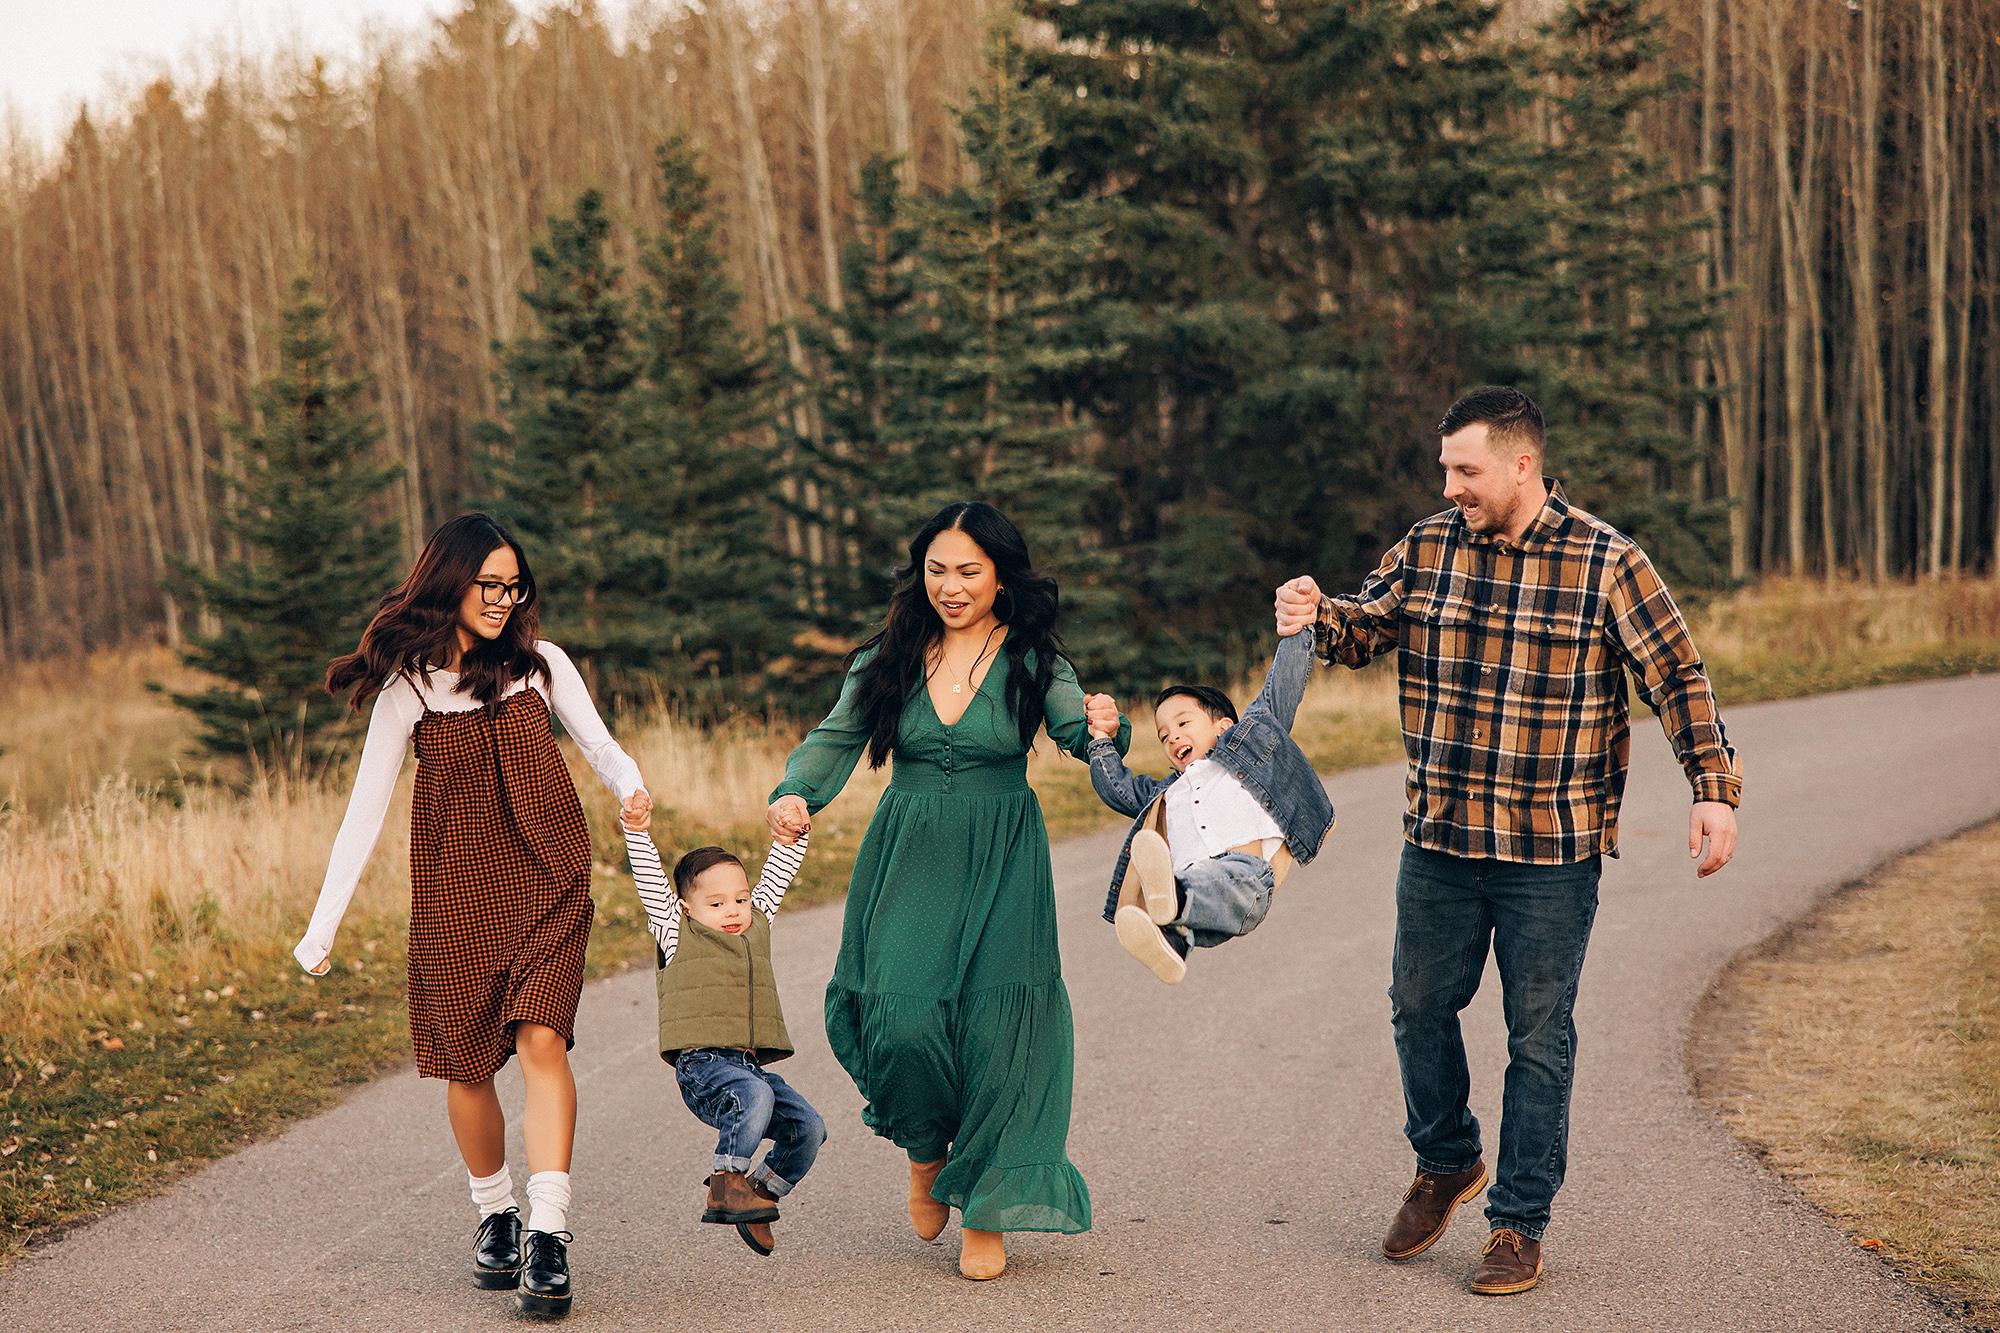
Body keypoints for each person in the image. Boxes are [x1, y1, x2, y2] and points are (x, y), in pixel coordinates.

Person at [1274, 386, 1741, 1296]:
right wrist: (1312, 611)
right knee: (1416, 1004)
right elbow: (1364, 625)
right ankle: (1447, 1159)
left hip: (1550, 854)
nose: (1450, 485)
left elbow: (1677, 677)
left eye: (1466, 469)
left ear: (1522, 463)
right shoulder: (1428, 545)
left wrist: (1713, 790)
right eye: (1446, 468)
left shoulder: (1607, 560)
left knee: (1537, 1038)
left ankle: (1518, 1223)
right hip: (1440, 838)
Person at [296, 513, 650, 1318]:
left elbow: (601, 745)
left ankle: (549, 1234)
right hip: (456, 893)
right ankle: (495, 1209)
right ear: (450, 581)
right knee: (466, 1065)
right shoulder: (409, 688)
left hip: (548, 878)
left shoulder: (541, 666)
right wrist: (323, 928)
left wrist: (630, 785)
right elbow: (364, 811)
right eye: (488, 583)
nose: (502, 597)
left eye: (512, 583)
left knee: (541, 1038)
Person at [765, 500, 1129, 1281]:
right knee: (901, 1014)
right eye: (937, 570)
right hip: (912, 851)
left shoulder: (1033, 657)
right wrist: (797, 792)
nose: (951, 586)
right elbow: (835, 738)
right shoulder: (891, 654)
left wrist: (1104, 723)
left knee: (1000, 1030)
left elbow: (1077, 731)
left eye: (968, 570)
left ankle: (990, 1206)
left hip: (1004, 853)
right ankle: (928, 1148)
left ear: (1001, 575)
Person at [1077, 623, 1336, 983]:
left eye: (1183, 722)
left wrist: (1301, 628)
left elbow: (1279, 691)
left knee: (1213, 884)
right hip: (1197, 889)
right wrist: (1101, 740)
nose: (1173, 737)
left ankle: (1172, 905)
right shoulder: (1168, 793)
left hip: (1247, 879)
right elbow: (1118, 789)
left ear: (1223, 725)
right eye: (1164, 736)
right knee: (1185, 890)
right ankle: (1172, 939)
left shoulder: (1248, 751)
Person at [618, 812, 826, 1258]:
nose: (731, 911)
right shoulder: (676, 932)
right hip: (704, 1065)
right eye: (716, 904)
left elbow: (779, 872)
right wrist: (637, 832)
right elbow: (651, 882)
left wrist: (790, 837)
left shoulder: (756, 925)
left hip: (746, 1068)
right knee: (755, 1096)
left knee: (808, 1126)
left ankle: (758, 1197)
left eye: (740, 899)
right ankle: (725, 1182)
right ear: (685, 907)